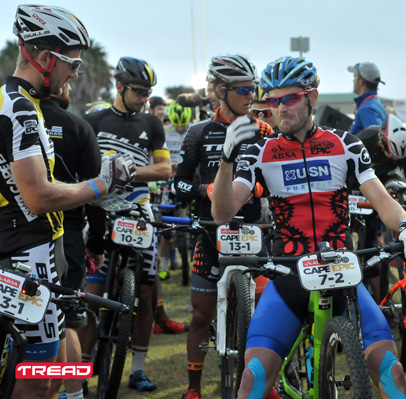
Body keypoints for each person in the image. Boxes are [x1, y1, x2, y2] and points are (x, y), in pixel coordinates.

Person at [211, 55, 406, 399]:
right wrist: (226, 160)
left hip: (343, 271)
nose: (280, 108)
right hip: (290, 274)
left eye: (290, 98)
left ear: (312, 96)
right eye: (273, 100)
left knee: (392, 374)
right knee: (252, 380)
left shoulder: (345, 145)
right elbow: (223, 212)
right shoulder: (259, 151)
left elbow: (381, 198)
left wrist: (404, 226)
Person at [4, 5, 135, 399]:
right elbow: (39, 195)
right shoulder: (21, 108)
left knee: (42, 369)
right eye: (73, 64)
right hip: (27, 256)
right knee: (37, 382)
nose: (76, 74)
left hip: (26, 253)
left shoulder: (13, 102)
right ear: (45, 58)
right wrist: (100, 183)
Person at [174, 55, 273, 399]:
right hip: (209, 233)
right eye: (244, 89)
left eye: (254, 88)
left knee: (262, 315)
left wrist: (256, 189)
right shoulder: (198, 132)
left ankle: (260, 382)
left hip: (252, 231)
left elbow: (274, 178)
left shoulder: (264, 131)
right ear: (220, 91)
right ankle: (193, 388)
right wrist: (208, 191)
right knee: (201, 316)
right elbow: (180, 185)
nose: (252, 95)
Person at [80, 56, 171, 392]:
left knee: (145, 293)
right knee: (92, 295)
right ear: (119, 86)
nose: (144, 98)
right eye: (138, 91)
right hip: (100, 206)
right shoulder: (95, 118)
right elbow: (80, 165)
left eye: (148, 92)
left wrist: (121, 171)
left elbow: (164, 170)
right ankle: (82, 365)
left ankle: (137, 368)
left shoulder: (152, 123)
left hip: (137, 205)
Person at [41, 82, 104, 399]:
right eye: (66, 81)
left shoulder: (12, 117)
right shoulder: (78, 126)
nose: (69, 85)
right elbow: (97, 193)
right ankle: (74, 394)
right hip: (65, 233)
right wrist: (97, 243)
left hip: (12, 234)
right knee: (64, 320)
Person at [355, 114, 406, 300]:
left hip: (386, 178)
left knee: (400, 184)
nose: (396, 158)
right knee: (364, 239)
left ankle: (393, 226)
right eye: (392, 155)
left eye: (399, 157)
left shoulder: (404, 151)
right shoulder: (363, 141)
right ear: (381, 144)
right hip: (359, 182)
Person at [157, 101, 192, 280]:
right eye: (177, 124)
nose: (180, 128)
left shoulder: (193, 130)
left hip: (187, 179)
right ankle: (164, 264)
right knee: (165, 225)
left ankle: (190, 259)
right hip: (167, 181)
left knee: (191, 221)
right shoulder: (165, 131)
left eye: (183, 125)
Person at [347, 62, 387, 134]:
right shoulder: (374, 104)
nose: (353, 80)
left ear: (361, 82)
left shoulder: (366, 109)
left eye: (355, 77)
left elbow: (377, 140)